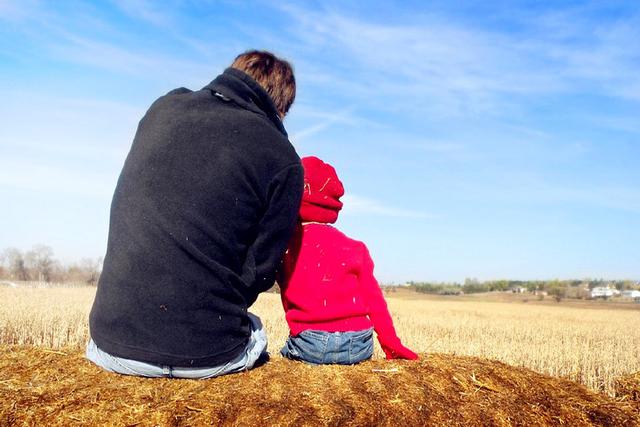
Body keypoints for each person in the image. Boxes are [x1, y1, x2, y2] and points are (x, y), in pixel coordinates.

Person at [86, 50, 303, 379]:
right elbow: (259, 271)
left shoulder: (163, 107)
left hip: (109, 345)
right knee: (256, 331)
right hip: (205, 355)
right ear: (282, 107)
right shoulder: (283, 158)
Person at [278, 156, 418, 365]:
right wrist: (392, 345)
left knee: (281, 355)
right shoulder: (355, 248)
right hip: (360, 344)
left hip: (311, 343)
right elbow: (375, 303)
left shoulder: (287, 247)